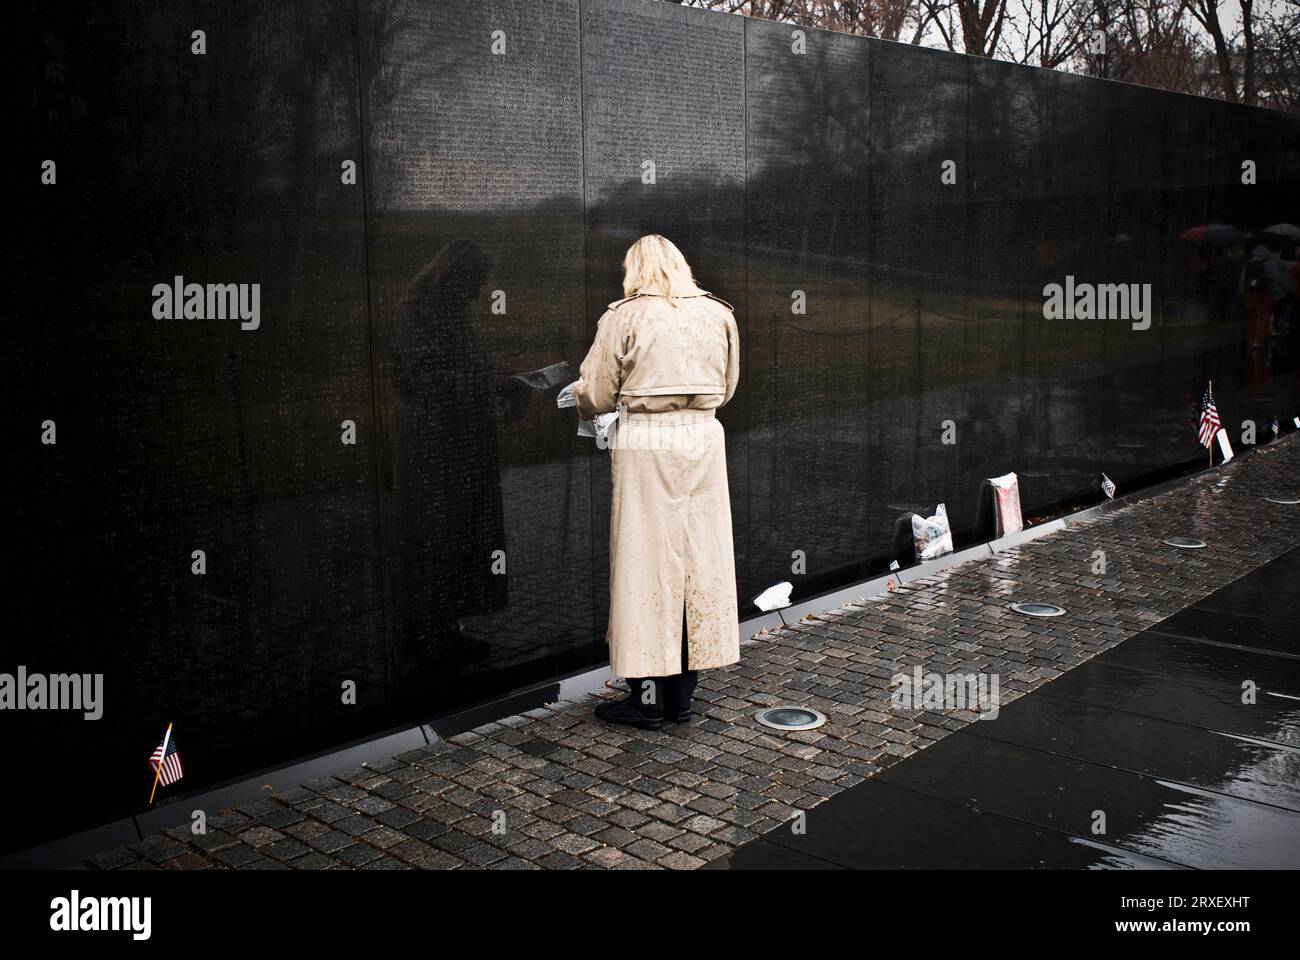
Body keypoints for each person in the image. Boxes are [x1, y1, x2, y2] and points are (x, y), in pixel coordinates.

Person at [573, 235, 741, 729]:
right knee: (697, 564)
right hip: (704, 443)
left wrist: (579, 399)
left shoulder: (624, 316)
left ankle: (646, 699)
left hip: (647, 446)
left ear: (635, 270)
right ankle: (681, 698)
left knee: (644, 566)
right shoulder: (718, 313)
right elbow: (727, 387)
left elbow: (599, 392)